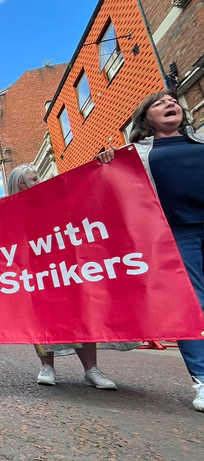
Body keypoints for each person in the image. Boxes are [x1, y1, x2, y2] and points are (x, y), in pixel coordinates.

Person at [97, 89, 204, 410]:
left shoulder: (199, 142)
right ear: (145, 117)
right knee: (192, 306)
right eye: (160, 103)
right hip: (178, 234)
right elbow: (113, 186)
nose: (170, 104)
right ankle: (202, 380)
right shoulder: (138, 152)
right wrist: (106, 163)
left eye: (173, 101)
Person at [7, 163, 124, 390]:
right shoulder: (10, 211)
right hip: (35, 272)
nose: (38, 181)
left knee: (80, 312)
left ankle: (91, 369)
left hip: (66, 267)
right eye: (33, 178)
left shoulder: (57, 200)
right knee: (41, 318)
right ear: (21, 184)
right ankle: (47, 367)